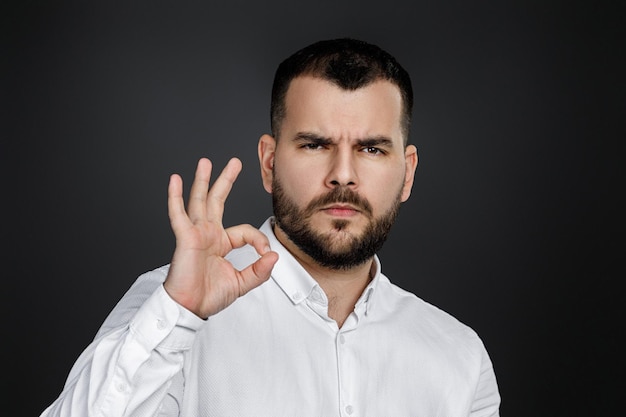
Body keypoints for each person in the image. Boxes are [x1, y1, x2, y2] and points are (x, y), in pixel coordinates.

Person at [40, 38, 500, 417]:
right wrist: (177, 313)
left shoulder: (458, 356)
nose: (343, 174)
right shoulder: (171, 310)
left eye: (372, 149)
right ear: (269, 162)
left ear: (409, 172)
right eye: (315, 144)